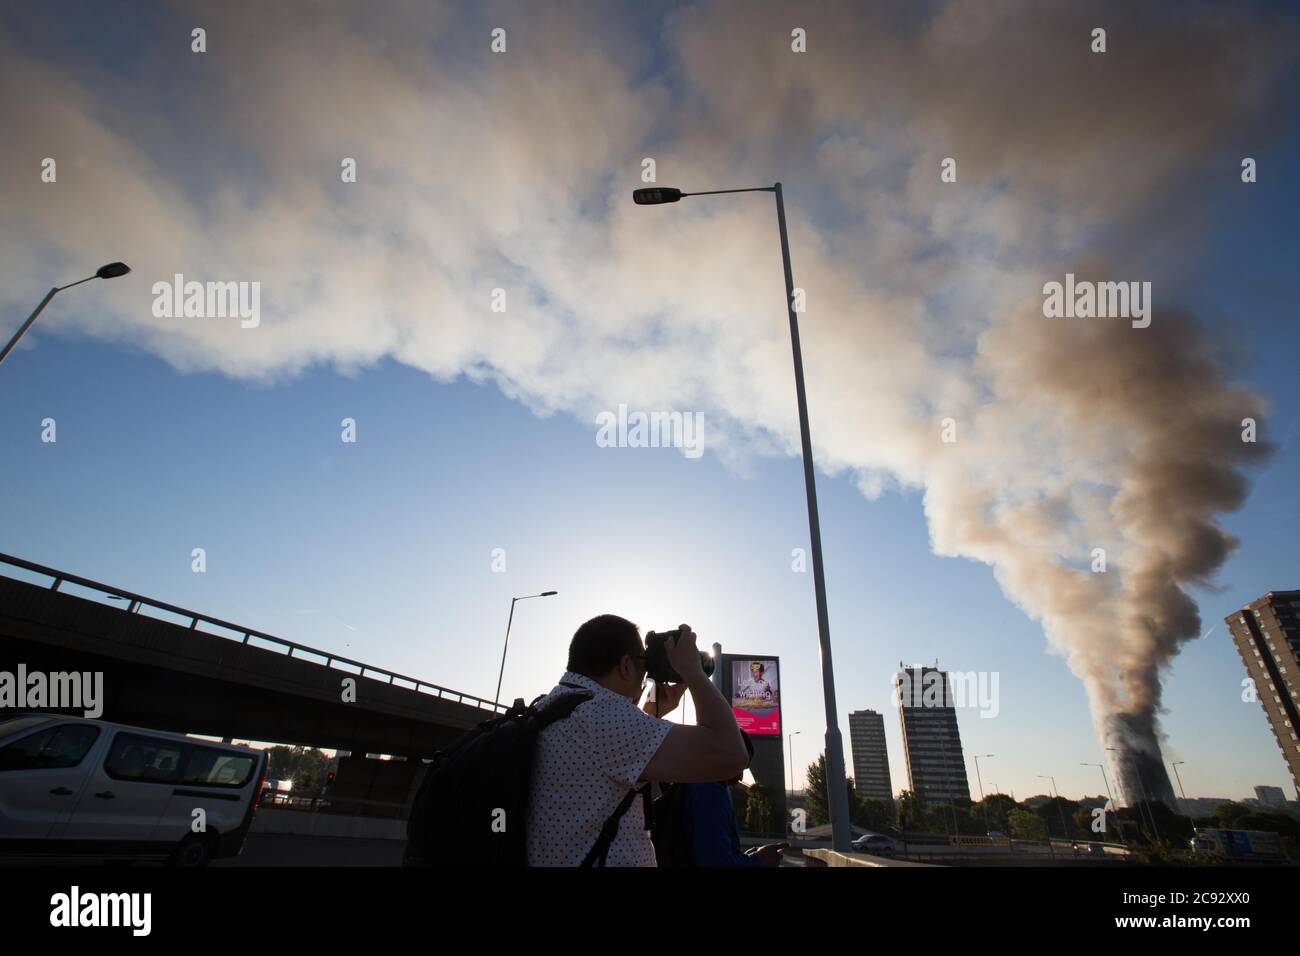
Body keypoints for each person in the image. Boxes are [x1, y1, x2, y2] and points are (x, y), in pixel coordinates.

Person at [526, 615, 748, 866]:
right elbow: (731, 755)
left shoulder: (553, 707)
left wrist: (652, 712)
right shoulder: (603, 717)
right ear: (626, 666)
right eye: (643, 664)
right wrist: (693, 673)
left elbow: (608, 762)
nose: (645, 676)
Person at [662, 731, 789, 867]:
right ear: (727, 756)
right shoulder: (711, 790)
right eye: (741, 766)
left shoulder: (695, 782)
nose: (740, 777)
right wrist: (759, 860)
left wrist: (749, 857)